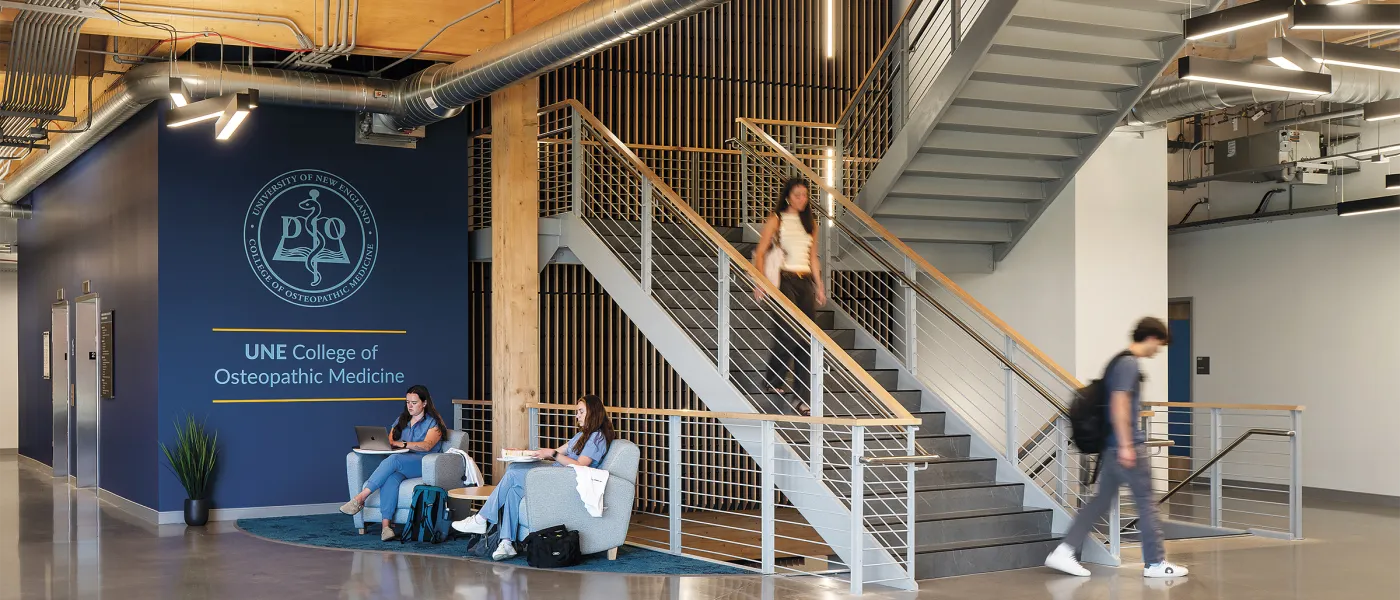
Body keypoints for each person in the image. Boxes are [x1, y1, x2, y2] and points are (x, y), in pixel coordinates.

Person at [1045, 317, 1188, 579]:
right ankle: (1156, 563)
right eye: (1161, 344)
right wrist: (1126, 445)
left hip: (1113, 447)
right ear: (1152, 338)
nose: (1159, 350)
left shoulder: (1119, 361)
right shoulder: (1128, 364)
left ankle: (1064, 552)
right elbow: (1119, 403)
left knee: (1100, 502)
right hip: (1126, 445)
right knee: (1146, 503)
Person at [451, 394, 617, 561]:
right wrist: (525, 453)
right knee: (514, 486)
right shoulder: (583, 435)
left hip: (565, 482)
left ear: (593, 412)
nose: (577, 416)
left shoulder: (598, 437)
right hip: (556, 475)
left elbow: (580, 465)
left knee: (514, 473)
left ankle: (482, 518)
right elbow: (557, 452)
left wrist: (552, 453)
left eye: (581, 411)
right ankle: (507, 542)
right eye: (577, 412)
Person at [751, 177, 827, 416]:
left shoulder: (811, 224)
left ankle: (801, 397)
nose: (802, 199)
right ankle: (773, 378)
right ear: (787, 197)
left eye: (804, 195)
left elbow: (813, 256)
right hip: (783, 280)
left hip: (805, 282)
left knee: (806, 339)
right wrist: (760, 281)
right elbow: (761, 252)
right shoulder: (777, 219)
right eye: (797, 195)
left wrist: (820, 286)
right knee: (788, 333)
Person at [340, 384, 449, 541]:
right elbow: (390, 440)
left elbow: (427, 445)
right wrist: (388, 443)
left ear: (424, 403)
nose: (410, 406)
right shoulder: (402, 420)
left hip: (424, 462)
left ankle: (360, 499)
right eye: (407, 402)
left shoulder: (434, 423)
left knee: (394, 459)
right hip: (403, 461)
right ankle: (386, 527)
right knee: (391, 479)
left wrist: (402, 444)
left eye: (414, 402)